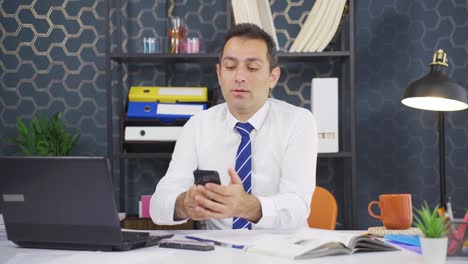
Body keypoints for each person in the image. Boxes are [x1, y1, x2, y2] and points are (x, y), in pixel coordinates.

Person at [150, 23, 318, 230]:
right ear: (219, 74)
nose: (239, 76)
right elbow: (158, 206)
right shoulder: (197, 126)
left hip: (282, 251)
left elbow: (298, 207)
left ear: (273, 77)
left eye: (252, 67)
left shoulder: (298, 122)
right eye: (230, 67)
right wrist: (184, 204)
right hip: (219, 252)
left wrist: (248, 206)